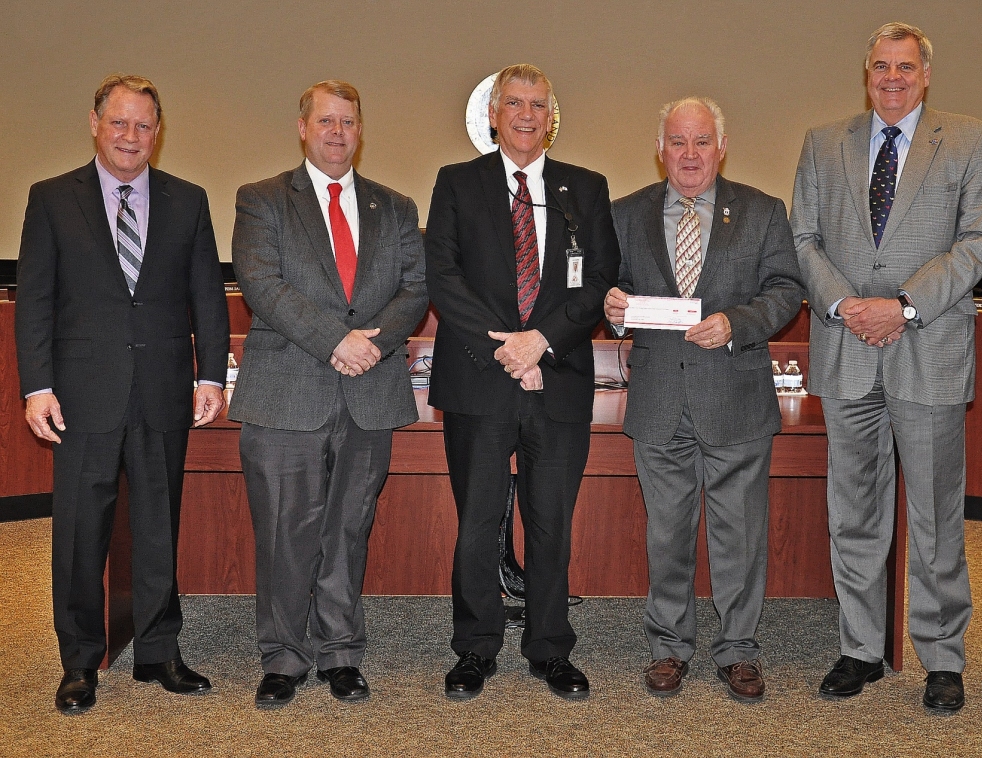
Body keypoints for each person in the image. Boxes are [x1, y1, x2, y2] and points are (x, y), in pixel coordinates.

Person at [789, 22, 982, 711]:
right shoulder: (825, 143)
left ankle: (941, 655)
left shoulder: (968, 139)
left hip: (927, 350)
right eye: (881, 66)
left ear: (926, 75)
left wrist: (903, 307)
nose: (892, 78)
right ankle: (860, 648)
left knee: (936, 512)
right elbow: (805, 238)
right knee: (852, 510)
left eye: (905, 67)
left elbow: (976, 244)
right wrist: (849, 304)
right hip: (848, 347)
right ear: (867, 72)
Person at [15, 74, 230, 715]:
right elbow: (36, 302)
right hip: (80, 396)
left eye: (143, 125)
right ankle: (80, 661)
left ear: (157, 133)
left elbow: (206, 301)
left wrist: (211, 375)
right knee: (81, 532)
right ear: (95, 123)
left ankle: (159, 651)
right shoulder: (52, 199)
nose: (131, 136)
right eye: (119, 123)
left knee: (159, 524)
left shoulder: (187, 201)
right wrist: (37, 386)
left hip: (163, 392)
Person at [229, 80, 427, 709]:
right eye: (326, 121)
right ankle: (283, 657)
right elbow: (262, 285)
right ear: (302, 128)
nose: (337, 132)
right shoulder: (262, 200)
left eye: (348, 122)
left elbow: (415, 289)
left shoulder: (393, 207)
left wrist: (373, 342)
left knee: (349, 527)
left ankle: (341, 652)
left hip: (369, 389)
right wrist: (336, 339)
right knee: (285, 529)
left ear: (360, 130)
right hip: (287, 391)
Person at [425, 63, 619, 700]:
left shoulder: (584, 188)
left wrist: (543, 341)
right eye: (515, 103)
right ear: (494, 113)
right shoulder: (456, 183)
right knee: (478, 522)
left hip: (558, 378)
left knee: (551, 523)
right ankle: (475, 648)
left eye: (538, 104)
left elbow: (597, 282)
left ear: (551, 115)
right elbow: (444, 279)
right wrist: (510, 347)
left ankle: (549, 648)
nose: (527, 114)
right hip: (481, 380)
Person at [604, 97, 804, 702]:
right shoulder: (624, 214)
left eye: (700, 142)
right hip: (660, 398)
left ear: (721, 147)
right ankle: (668, 646)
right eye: (676, 142)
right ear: (659, 149)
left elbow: (786, 290)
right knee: (666, 533)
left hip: (735, 397)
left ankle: (739, 650)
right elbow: (608, 287)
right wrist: (612, 308)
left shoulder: (762, 212)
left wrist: (737, 322)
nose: (688, 155)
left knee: (738, 535)